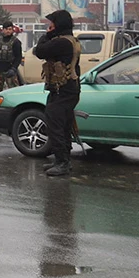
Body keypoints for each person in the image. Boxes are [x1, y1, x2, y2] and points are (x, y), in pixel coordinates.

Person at [33, 10, 82, 177]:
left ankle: (62, 162)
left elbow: (39, 51)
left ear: (58, 25)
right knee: (64, 125)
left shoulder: (61, 42)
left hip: (64, 90)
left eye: (52, 23)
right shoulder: (70, 40)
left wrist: (46, 35)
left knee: (55, 125)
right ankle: (63, 160)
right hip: (67, 89)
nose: (49, 26)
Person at [0, 21, 24, 97]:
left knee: (14, 93)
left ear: (12, 30)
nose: (8, 31)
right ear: (3, 30)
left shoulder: (16, 42)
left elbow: (18, 57)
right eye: (6, 29)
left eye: (10, 29)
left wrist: (14, 68)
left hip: (10, 70)